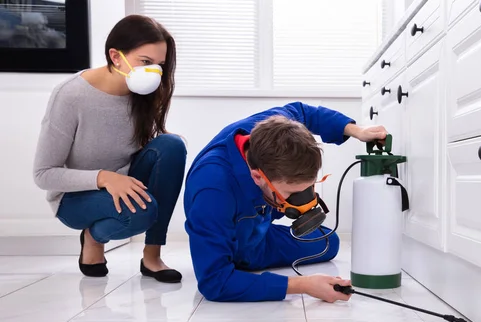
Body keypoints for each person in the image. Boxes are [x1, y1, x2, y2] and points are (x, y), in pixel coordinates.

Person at [32, 15, 186, 283]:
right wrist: (105, 177)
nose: (154, 72)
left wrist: (119, 178)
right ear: (116, 57)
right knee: (142, 212)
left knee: (172, 146)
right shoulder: (70, 95)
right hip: (75, 197)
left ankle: (152, 257)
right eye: (146, 62)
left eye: (160, 65)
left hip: (122, 183)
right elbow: (44, 174)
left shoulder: (143, 93)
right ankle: (93, 237)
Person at [183, 102, 387, 302]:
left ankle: (254, 254)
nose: (303, 200)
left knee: (329, 243)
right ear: (257, 177)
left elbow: (304, 112)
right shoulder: (212, 189)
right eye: (292, 193)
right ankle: (240, 268)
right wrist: (303, 285)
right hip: (235, 243)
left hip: (259, 234)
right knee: (227, 274)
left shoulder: (272, 129)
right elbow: (213, 283)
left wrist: (357, 130)